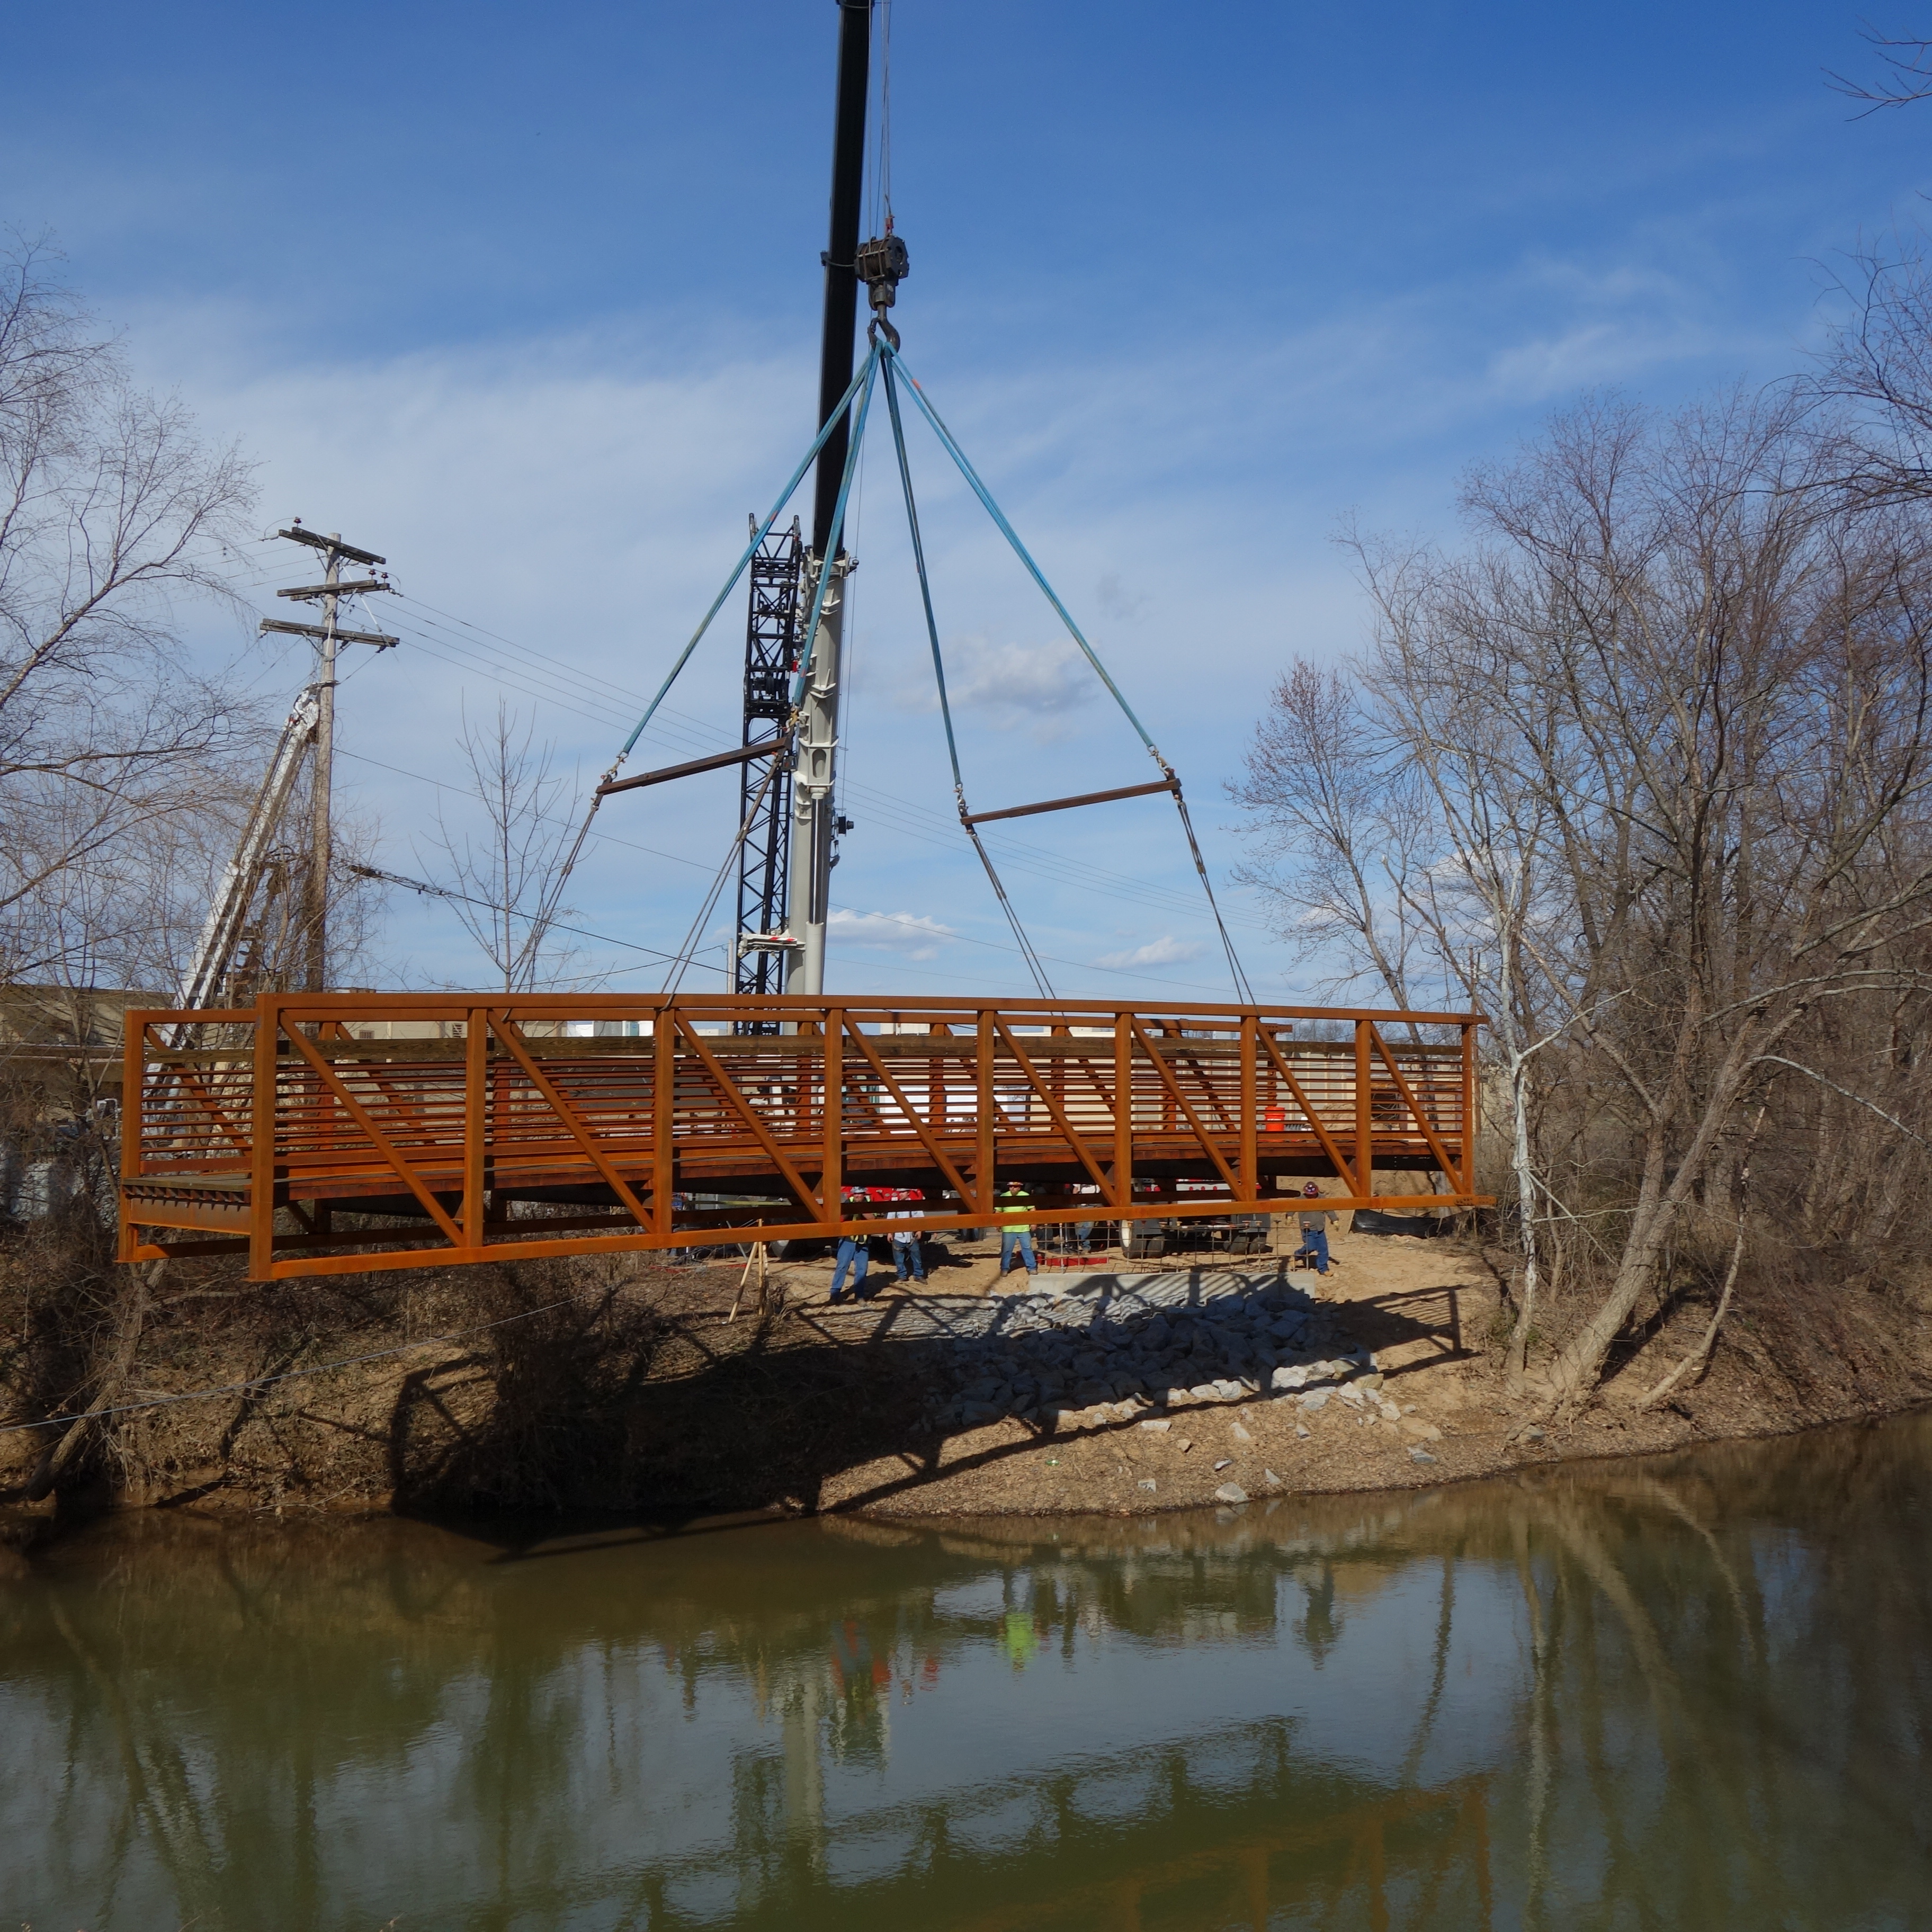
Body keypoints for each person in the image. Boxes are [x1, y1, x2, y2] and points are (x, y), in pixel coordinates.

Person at [997, 1180, 1037, 1277]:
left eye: (1015, 1187)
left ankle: (1032, 1268)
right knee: (1007, 1250)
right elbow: (998, 1212)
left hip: (1023, 1228)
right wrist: (998, 1224)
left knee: (1027, 1248)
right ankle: (1005, 1268)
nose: (1012, 1188)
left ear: (1019, 1187)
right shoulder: (1004, 1197)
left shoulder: (1025, 1196)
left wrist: (1034, 1222)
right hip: (1008, 1229)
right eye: (1011, 1187)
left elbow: (1032, 1210)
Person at [1296, 1182, 1336, 1276]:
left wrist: (1335, 1220)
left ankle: (1323, 1269)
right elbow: (1291, 1207)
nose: (1312, 1196)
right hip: (1307, 1229)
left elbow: (1329, 1209)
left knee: (1323, 1250)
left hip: (1320, 1229)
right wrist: (1289, 1216)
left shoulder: (1322, 1198)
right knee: (1310, 1246)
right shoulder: (1300, 1199)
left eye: (1313, 1195)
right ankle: (1297, 1256)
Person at [829, 1231, 874, 1303]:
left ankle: (860, 1296)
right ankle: (835, 1294)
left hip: (863, 1241)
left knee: (862, 1269)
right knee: (842, 1267)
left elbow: (872, 1220)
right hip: (847, 1239)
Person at [890, 1207, 926, 1284]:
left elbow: (921, 1219)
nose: (901, 1194)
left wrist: (919, 1231)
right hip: (898, 1237)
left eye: (903, 1193)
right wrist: (890, 1233)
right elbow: (889, 1221)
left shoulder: (914, 1205)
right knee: (899, 1259)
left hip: (912, 1237)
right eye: (900, 1193)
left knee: (917, 1257)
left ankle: (918, 1275)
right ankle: (902, 1276)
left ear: (908, 1194)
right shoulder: (893, 1205)